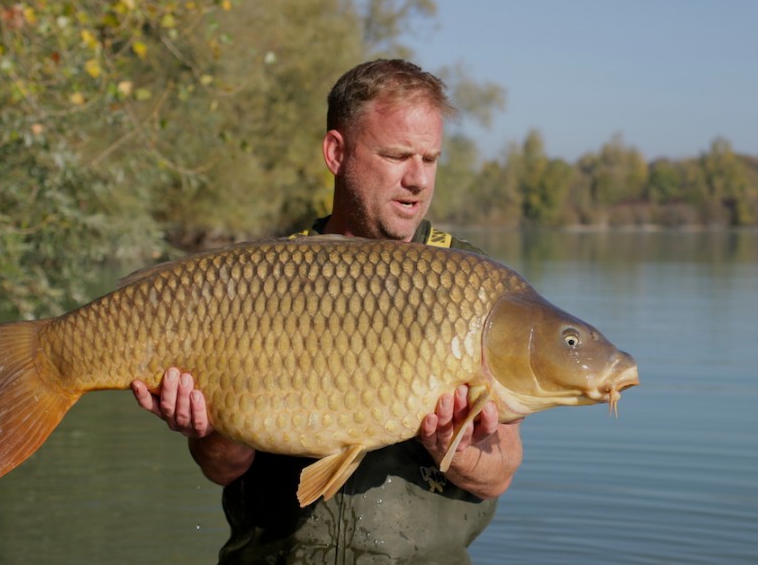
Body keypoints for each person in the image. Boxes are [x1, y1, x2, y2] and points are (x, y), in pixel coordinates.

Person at [131, 59, 524, 564]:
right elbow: (223, 468)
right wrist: (209, 428)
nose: (417, 180)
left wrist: (452, 445)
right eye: (397, 155)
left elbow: (500, 472)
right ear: (337, 153)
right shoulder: (265, 277)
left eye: (430, 159)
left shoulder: (471, 282)